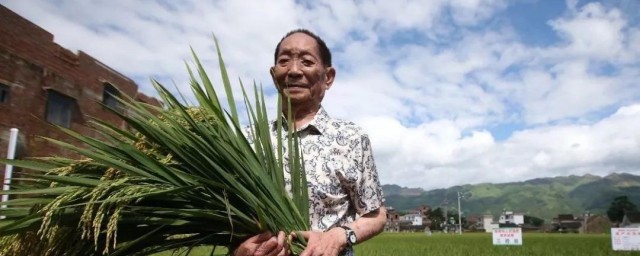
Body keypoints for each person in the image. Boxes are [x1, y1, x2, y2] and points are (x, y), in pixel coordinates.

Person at [234, 29, 387, 256]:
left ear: (328, 77)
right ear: (273, 74)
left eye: (306, 61)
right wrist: (239, 251)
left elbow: (376, 214)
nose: (294, 71)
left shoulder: (351, 138)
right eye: (284, 61)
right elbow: (231, 216)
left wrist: (339, 235)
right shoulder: (248, 140)